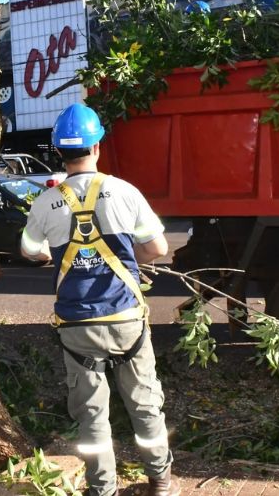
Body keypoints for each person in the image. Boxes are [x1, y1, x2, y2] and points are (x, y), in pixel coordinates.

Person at [20, 104, 179, 496]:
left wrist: (56, 253)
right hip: (126, 320)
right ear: (97, 147)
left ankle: (102, 489)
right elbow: (157, 247)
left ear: (59, 151)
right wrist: (125, 258)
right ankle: (160, 482)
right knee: (145, 404)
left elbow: (29, 250)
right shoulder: (125, 191)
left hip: (78, 326)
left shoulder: (45, 202)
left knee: (92, 415)